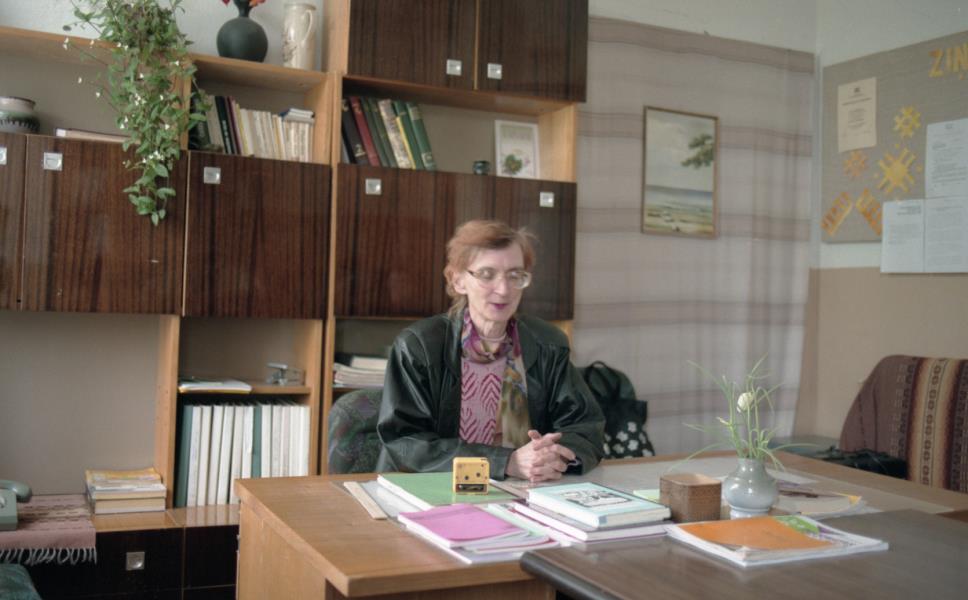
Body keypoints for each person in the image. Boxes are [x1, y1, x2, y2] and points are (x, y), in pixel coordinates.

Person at [376, 220, 605, 482]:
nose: (504, 289)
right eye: (487, 274)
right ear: (458, 280)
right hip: (431, 489)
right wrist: (504, 462)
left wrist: (555, 456)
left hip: (521, 489)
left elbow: (585, 427)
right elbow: (404, 442)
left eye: (514, 275)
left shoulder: (547, 344)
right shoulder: (419, 346)